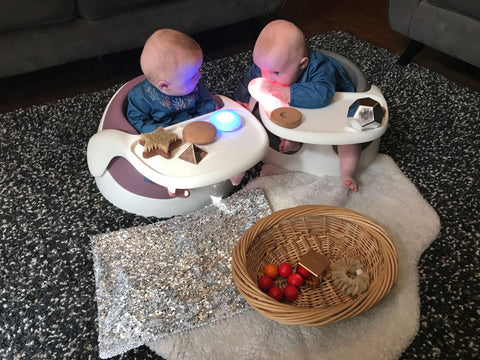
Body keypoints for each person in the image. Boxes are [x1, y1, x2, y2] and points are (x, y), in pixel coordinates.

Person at [235, 20, 362, 192]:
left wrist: (289, 93)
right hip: (293, 112)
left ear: (302, 64)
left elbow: (323, 94)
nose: (267, 77)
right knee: (249, 122)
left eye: (276, 72)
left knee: (351, 137)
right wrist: (242, 100)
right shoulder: (269, 67)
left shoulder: (320, 68)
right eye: (262, 69)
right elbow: (249, 81)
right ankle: (243, 163)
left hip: (330, 111)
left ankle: (347, 172)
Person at [127, 29, 216, 134]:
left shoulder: (196, 84)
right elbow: (138, 120)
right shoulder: (139, 97)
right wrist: (165, 133)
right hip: (167, 136)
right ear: (165, 85)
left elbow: (207, 102)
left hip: (195, 127)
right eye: (192, 76)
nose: (199, 76)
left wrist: (198, 120)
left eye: (198, 70)